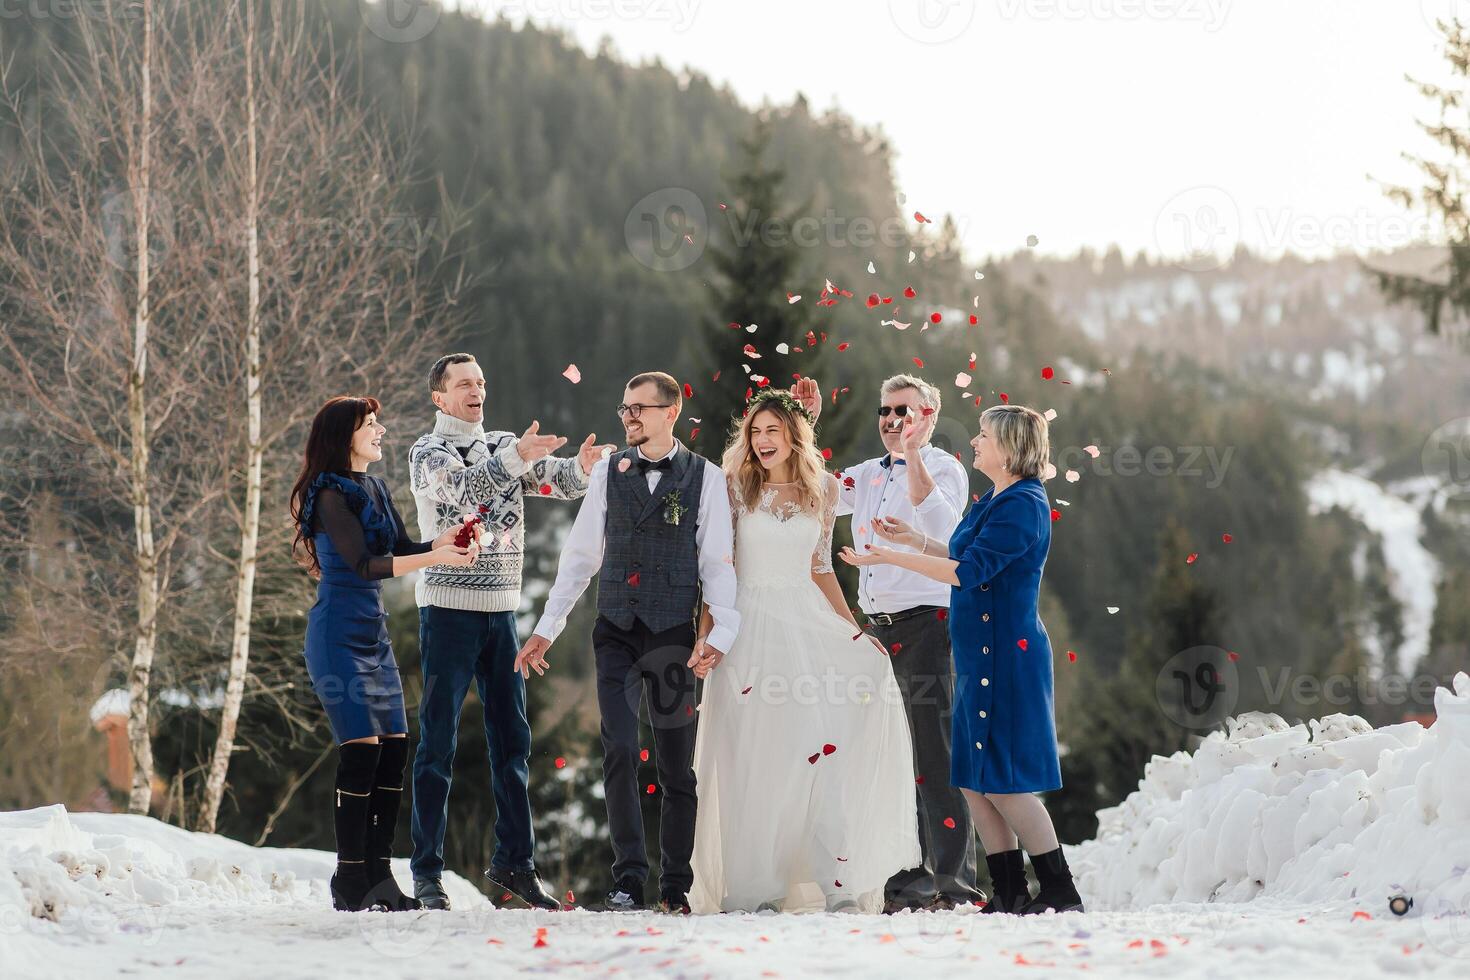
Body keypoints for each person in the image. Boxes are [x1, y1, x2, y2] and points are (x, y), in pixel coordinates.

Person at [840, 404, 1084, 914]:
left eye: (983, 436)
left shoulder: (1024, 504)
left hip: (1009, 656)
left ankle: (1060, 890)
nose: (974, 441)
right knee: (974, 781)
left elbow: (966, 572)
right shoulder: (994, 497)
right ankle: (1010, 890)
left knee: (1008, 782)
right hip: (979, 654)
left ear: (1011, 447)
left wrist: (888, 557)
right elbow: (956, 548)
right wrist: (913, 539)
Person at [688, 388, 921, 914]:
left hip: (805, 625)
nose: (762, 440)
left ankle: (828, 880)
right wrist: (706, 635)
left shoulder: (826, 491)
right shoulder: (733, 489)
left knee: (812, 750)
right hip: (745, 628)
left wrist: (852, 629)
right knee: (751, 755)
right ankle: (754, 884)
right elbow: (718, 571)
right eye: (755, 431)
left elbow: (821, 569)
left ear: (794, 437)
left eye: (773, 430)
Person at [514, 371, 739, 914]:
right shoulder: (607, 475)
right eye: (625, 409)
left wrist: (722, 631)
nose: (629, 417)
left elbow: (717, 563)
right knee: (617, 747)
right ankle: (628, 879)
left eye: (639, 408)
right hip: (614, 628)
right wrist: (547, 627)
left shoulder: (705, 477)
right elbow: (581, 557)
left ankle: (675, 886)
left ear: (671, 412)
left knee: (674, 763)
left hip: (672, 636)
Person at [406, 353, 612, 911]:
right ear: (439, 398)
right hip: (447, 611)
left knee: (513, 742)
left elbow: (557, 482)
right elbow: (462, 491)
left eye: (481, 382)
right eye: (464, 384)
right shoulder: (427, 452)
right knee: (438, 743)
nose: (477, 390)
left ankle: (515, 865)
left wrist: (585, 468)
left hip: (501, 614)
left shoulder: (504, 443)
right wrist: (515, 457)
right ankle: (427, 871)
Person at [802, 373, 984, 913]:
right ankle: (906, 878)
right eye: (885, 411)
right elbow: (815, 492)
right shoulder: (866, 475)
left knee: (934, 750)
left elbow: (949, 531)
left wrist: (914, 457)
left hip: (928, 624)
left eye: (904, 411)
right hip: (877, 630)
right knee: (890, 755)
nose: (891, 420)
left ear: (928, 416)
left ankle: (953, 883)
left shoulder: (946, 468)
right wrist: (806, 430)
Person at [289, 395, 478, 913]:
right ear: (343, 436)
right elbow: (365, 565)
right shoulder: (329, 492)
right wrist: (436, 557)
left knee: (394, 748)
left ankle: (379, 877)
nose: (381, 430)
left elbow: (402, 546)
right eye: (370, 425)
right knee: (363, 750)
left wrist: (446, 542)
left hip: (373, 636)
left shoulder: (373, 486)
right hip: (336, 638)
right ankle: (350, 878)